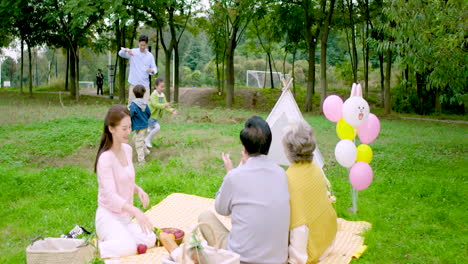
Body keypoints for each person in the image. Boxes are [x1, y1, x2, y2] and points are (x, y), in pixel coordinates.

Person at [198, 116, 290, 264]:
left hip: (240, 259)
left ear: (244, 148)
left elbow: (221, 209)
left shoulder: (234, 177)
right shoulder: (281, 174)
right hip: (278, 259)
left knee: (205, 216)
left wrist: (229, 173)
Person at [94, 105, 155, 258]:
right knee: (128, 247)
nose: (129, 132)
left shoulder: (127, 149)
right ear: (111, 129)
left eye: (129, 127)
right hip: (108, 216)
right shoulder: (105, 158)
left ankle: (121, 241)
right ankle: (94, 248)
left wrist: (138, 190)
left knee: (150, 238)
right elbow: (110, 195)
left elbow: (125, 180)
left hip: (125, 218)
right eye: (124, 128)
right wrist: (136, 211)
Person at [282, 121, 337, 264]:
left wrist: (295, 259)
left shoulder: (289, 178)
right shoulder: (315, 168)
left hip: (309, 251)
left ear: (288, 149)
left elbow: (298, 225)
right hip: (328, 238)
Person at [118, 35, 157, 104]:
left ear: (146, 44)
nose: (142, 47)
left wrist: (152, 70)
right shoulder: (133, 52)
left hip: (145, 85)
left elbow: (155, 68)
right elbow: (120, 53)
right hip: (134, 84)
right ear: (138, 43)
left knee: (146, 106)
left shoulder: (150, 56)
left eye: (144, 45)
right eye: (141, 45)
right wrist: (126, 50)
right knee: (132, 106)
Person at [144, 78, 177, 148]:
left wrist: (172, 110)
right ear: (156, 86)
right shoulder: (153, 95)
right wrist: (164, 105)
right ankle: (147, 139)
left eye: (163, 87)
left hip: (155, 117)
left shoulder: (162, 95)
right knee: (157, 128)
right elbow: (155, 104)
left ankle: (145, 140)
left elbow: (165, 105)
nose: (163, 88)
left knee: (152, 129)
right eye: (161, 86)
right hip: (150, 116)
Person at [129, 85, 151, 165]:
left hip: (138, 126)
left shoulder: (133, 105)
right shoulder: (145, 104)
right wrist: (144, 119)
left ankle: (142, 161)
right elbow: (149, 113)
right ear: (144, 93)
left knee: (138, 143)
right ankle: (146, 151)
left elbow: (130, 114)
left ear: (134, 93)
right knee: (137, 139)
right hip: (144, 125)